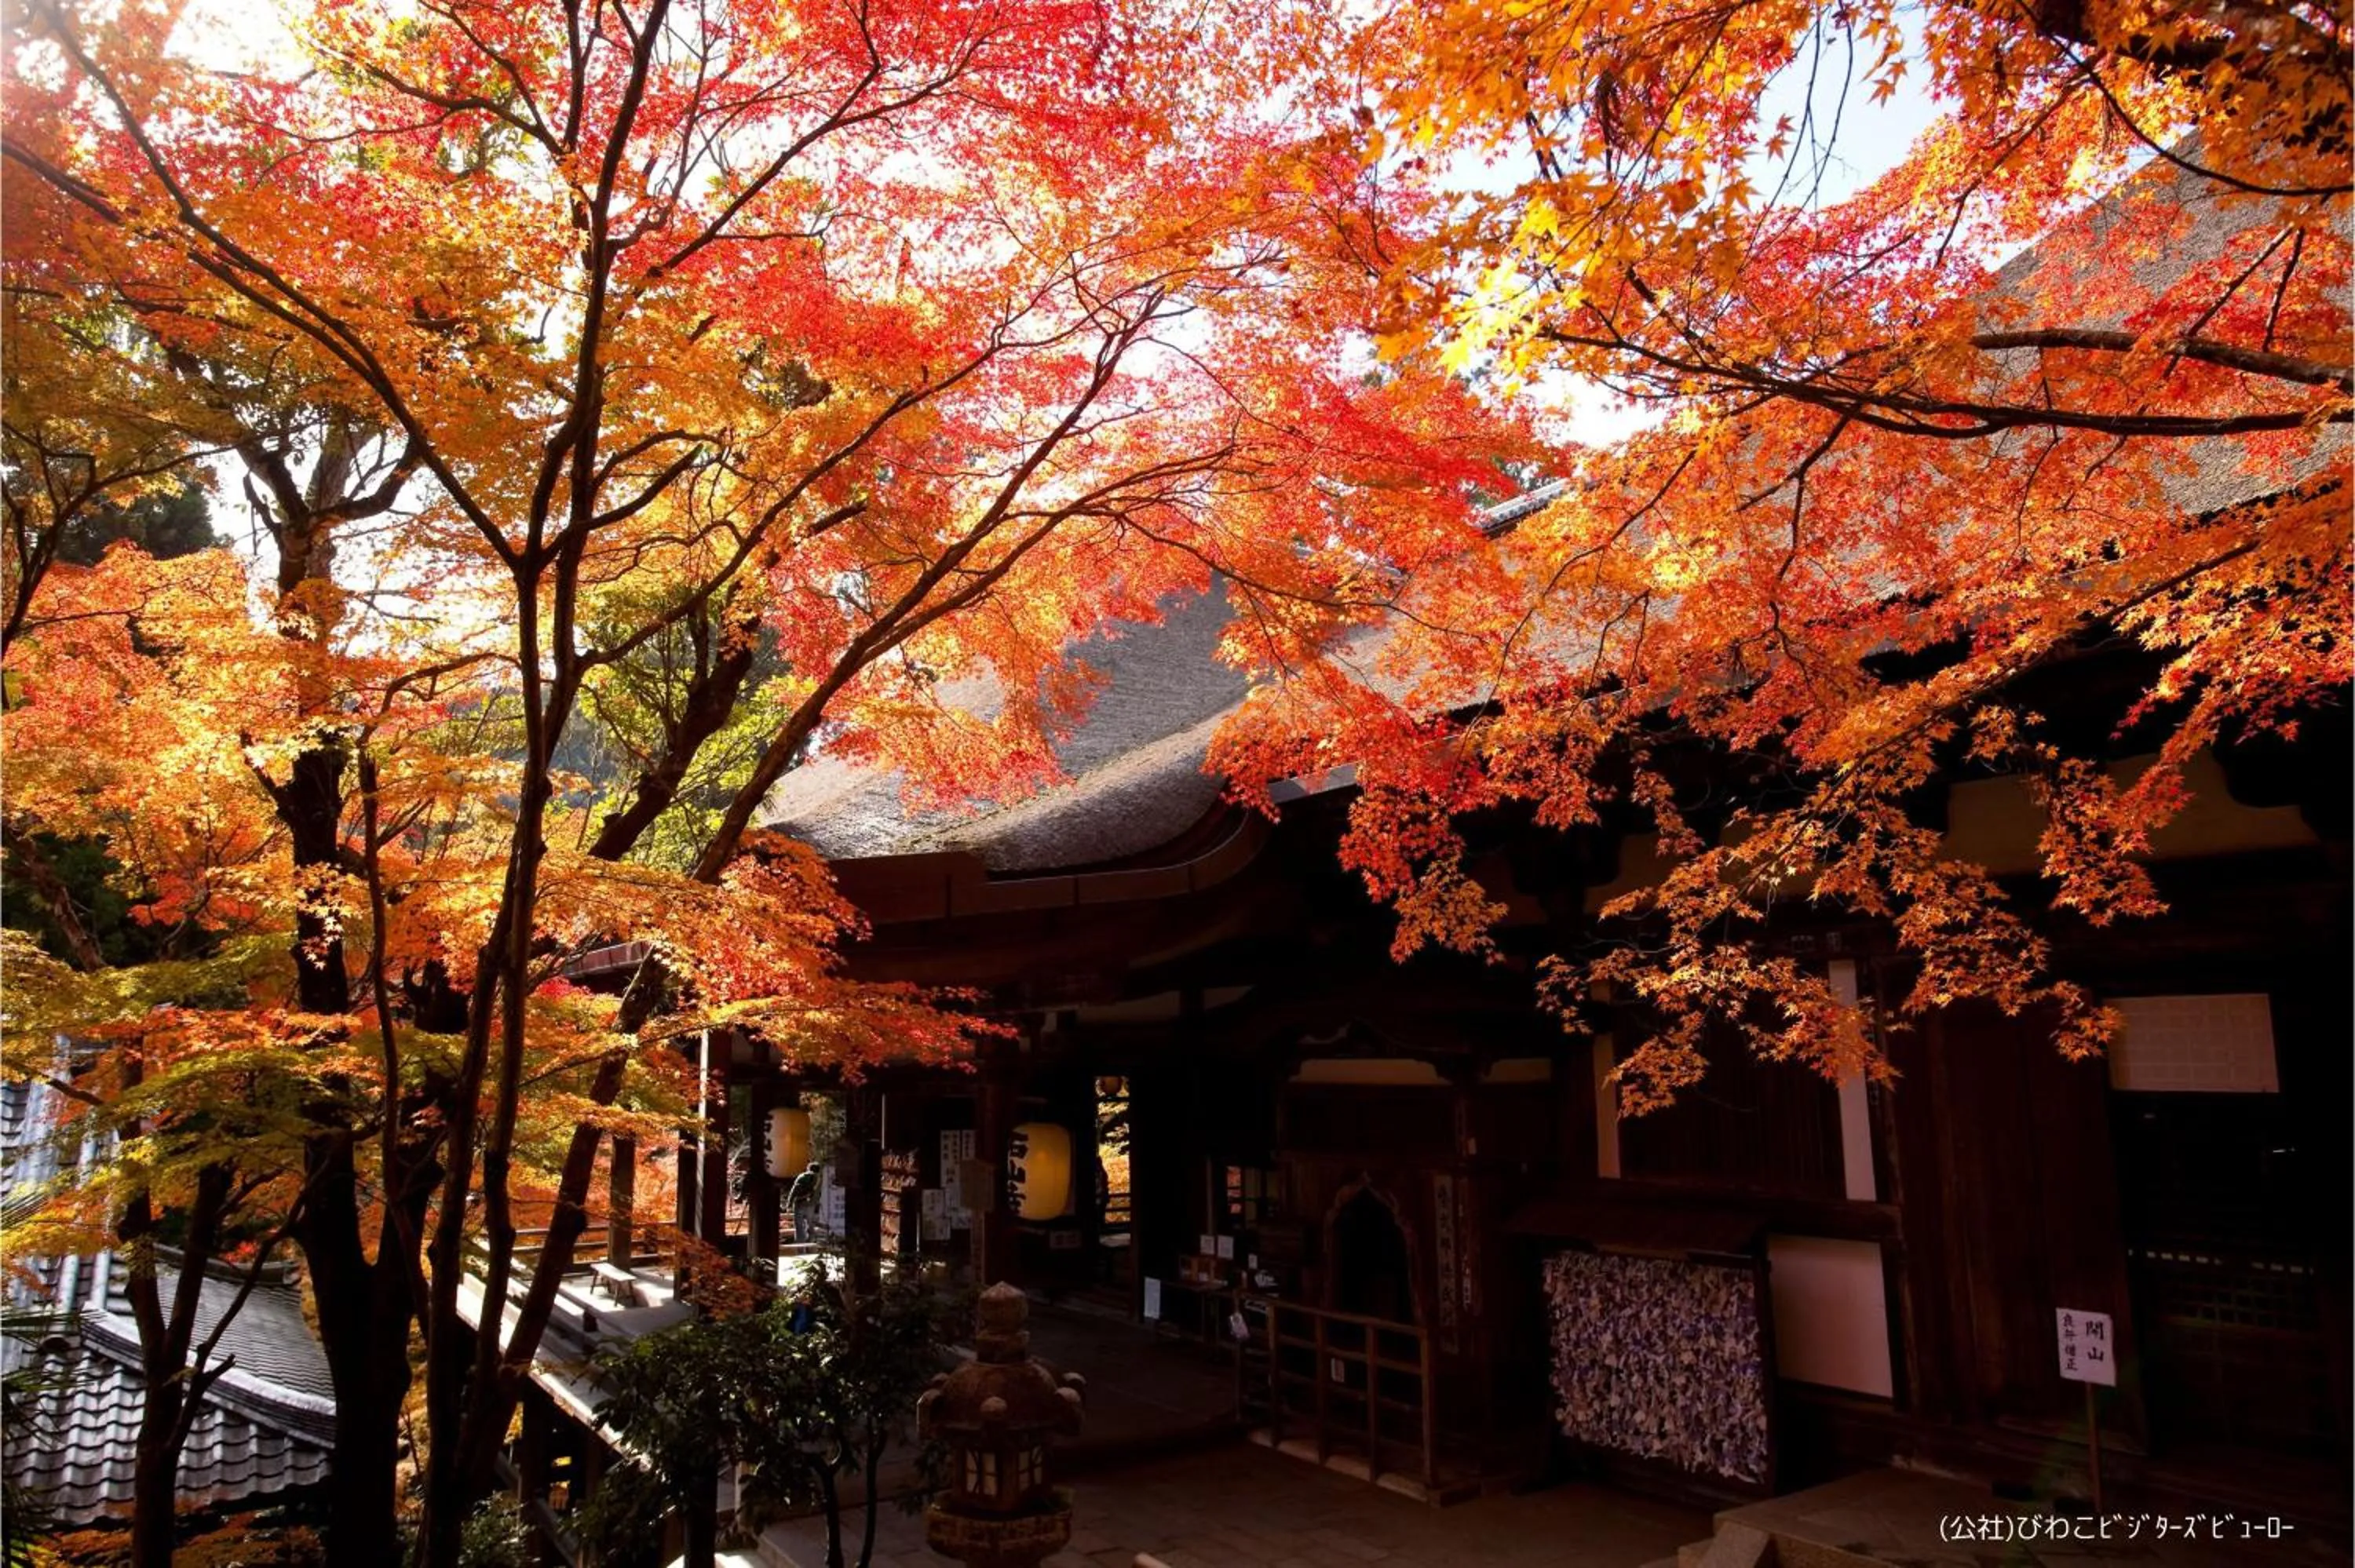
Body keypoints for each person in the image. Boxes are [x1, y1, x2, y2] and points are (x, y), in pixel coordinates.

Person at [786, 1159, 822, 1241]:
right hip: (811, 1205)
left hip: (799, 1203)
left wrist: (789, 1204)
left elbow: (794, 1190)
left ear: (808, 1168)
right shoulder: (819, 1179)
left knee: (799, 1226)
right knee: (810, 1224)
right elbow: (818, 1194)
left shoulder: (802, 1177)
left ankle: (800, 1245)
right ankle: (811, 1242)